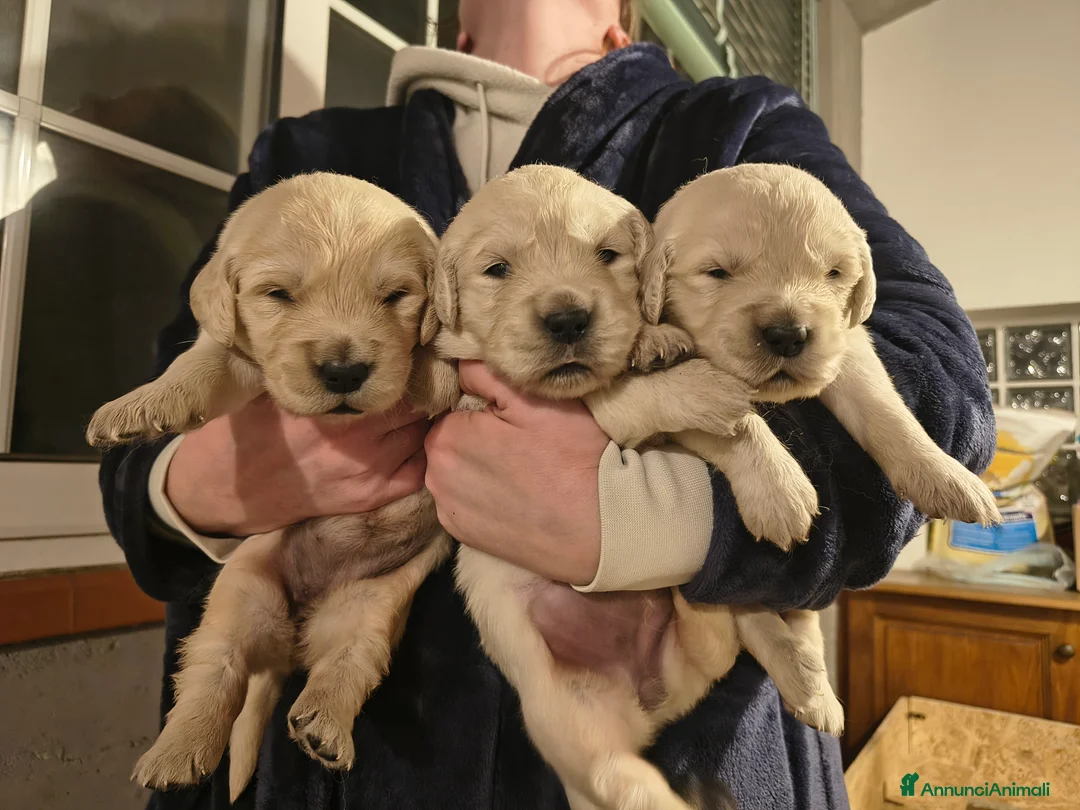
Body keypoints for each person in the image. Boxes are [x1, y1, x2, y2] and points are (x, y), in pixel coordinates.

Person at [100, 1, 995, 808]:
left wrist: (651, 513)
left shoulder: (733, 123)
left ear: (620, 20)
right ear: (457, 22)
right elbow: (142, 452)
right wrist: (207, 480)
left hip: (698, 747)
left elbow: (940, 380)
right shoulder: (312, 152)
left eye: (610, 256)